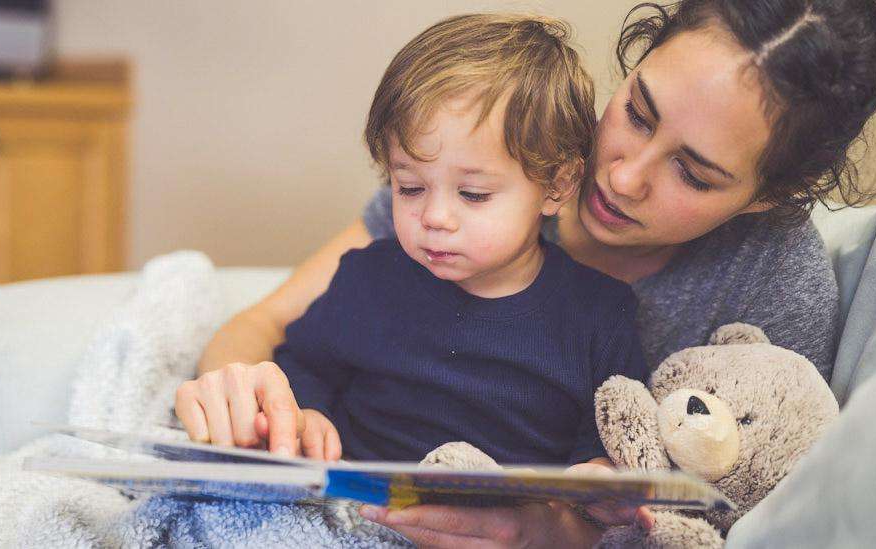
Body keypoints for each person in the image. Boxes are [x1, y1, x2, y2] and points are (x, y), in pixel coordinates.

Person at [180, 0, 876, 546]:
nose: (623, 175)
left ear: (767, 196)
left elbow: (753, 502)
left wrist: (566, 526)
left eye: (693, 173)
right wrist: (249, 397)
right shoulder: (492, 153)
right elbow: (267, 327)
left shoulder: (768, 284)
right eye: (637, 113)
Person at [263, 14, 648, 466]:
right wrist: (309, 414)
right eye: (409, 187)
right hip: (360, 506)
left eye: (473, 194)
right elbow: (300, 364)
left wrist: (592, 485)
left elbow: (611, 442)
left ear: (557, 186)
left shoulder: (599, 315)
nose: (435, 217)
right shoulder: (367, 278)